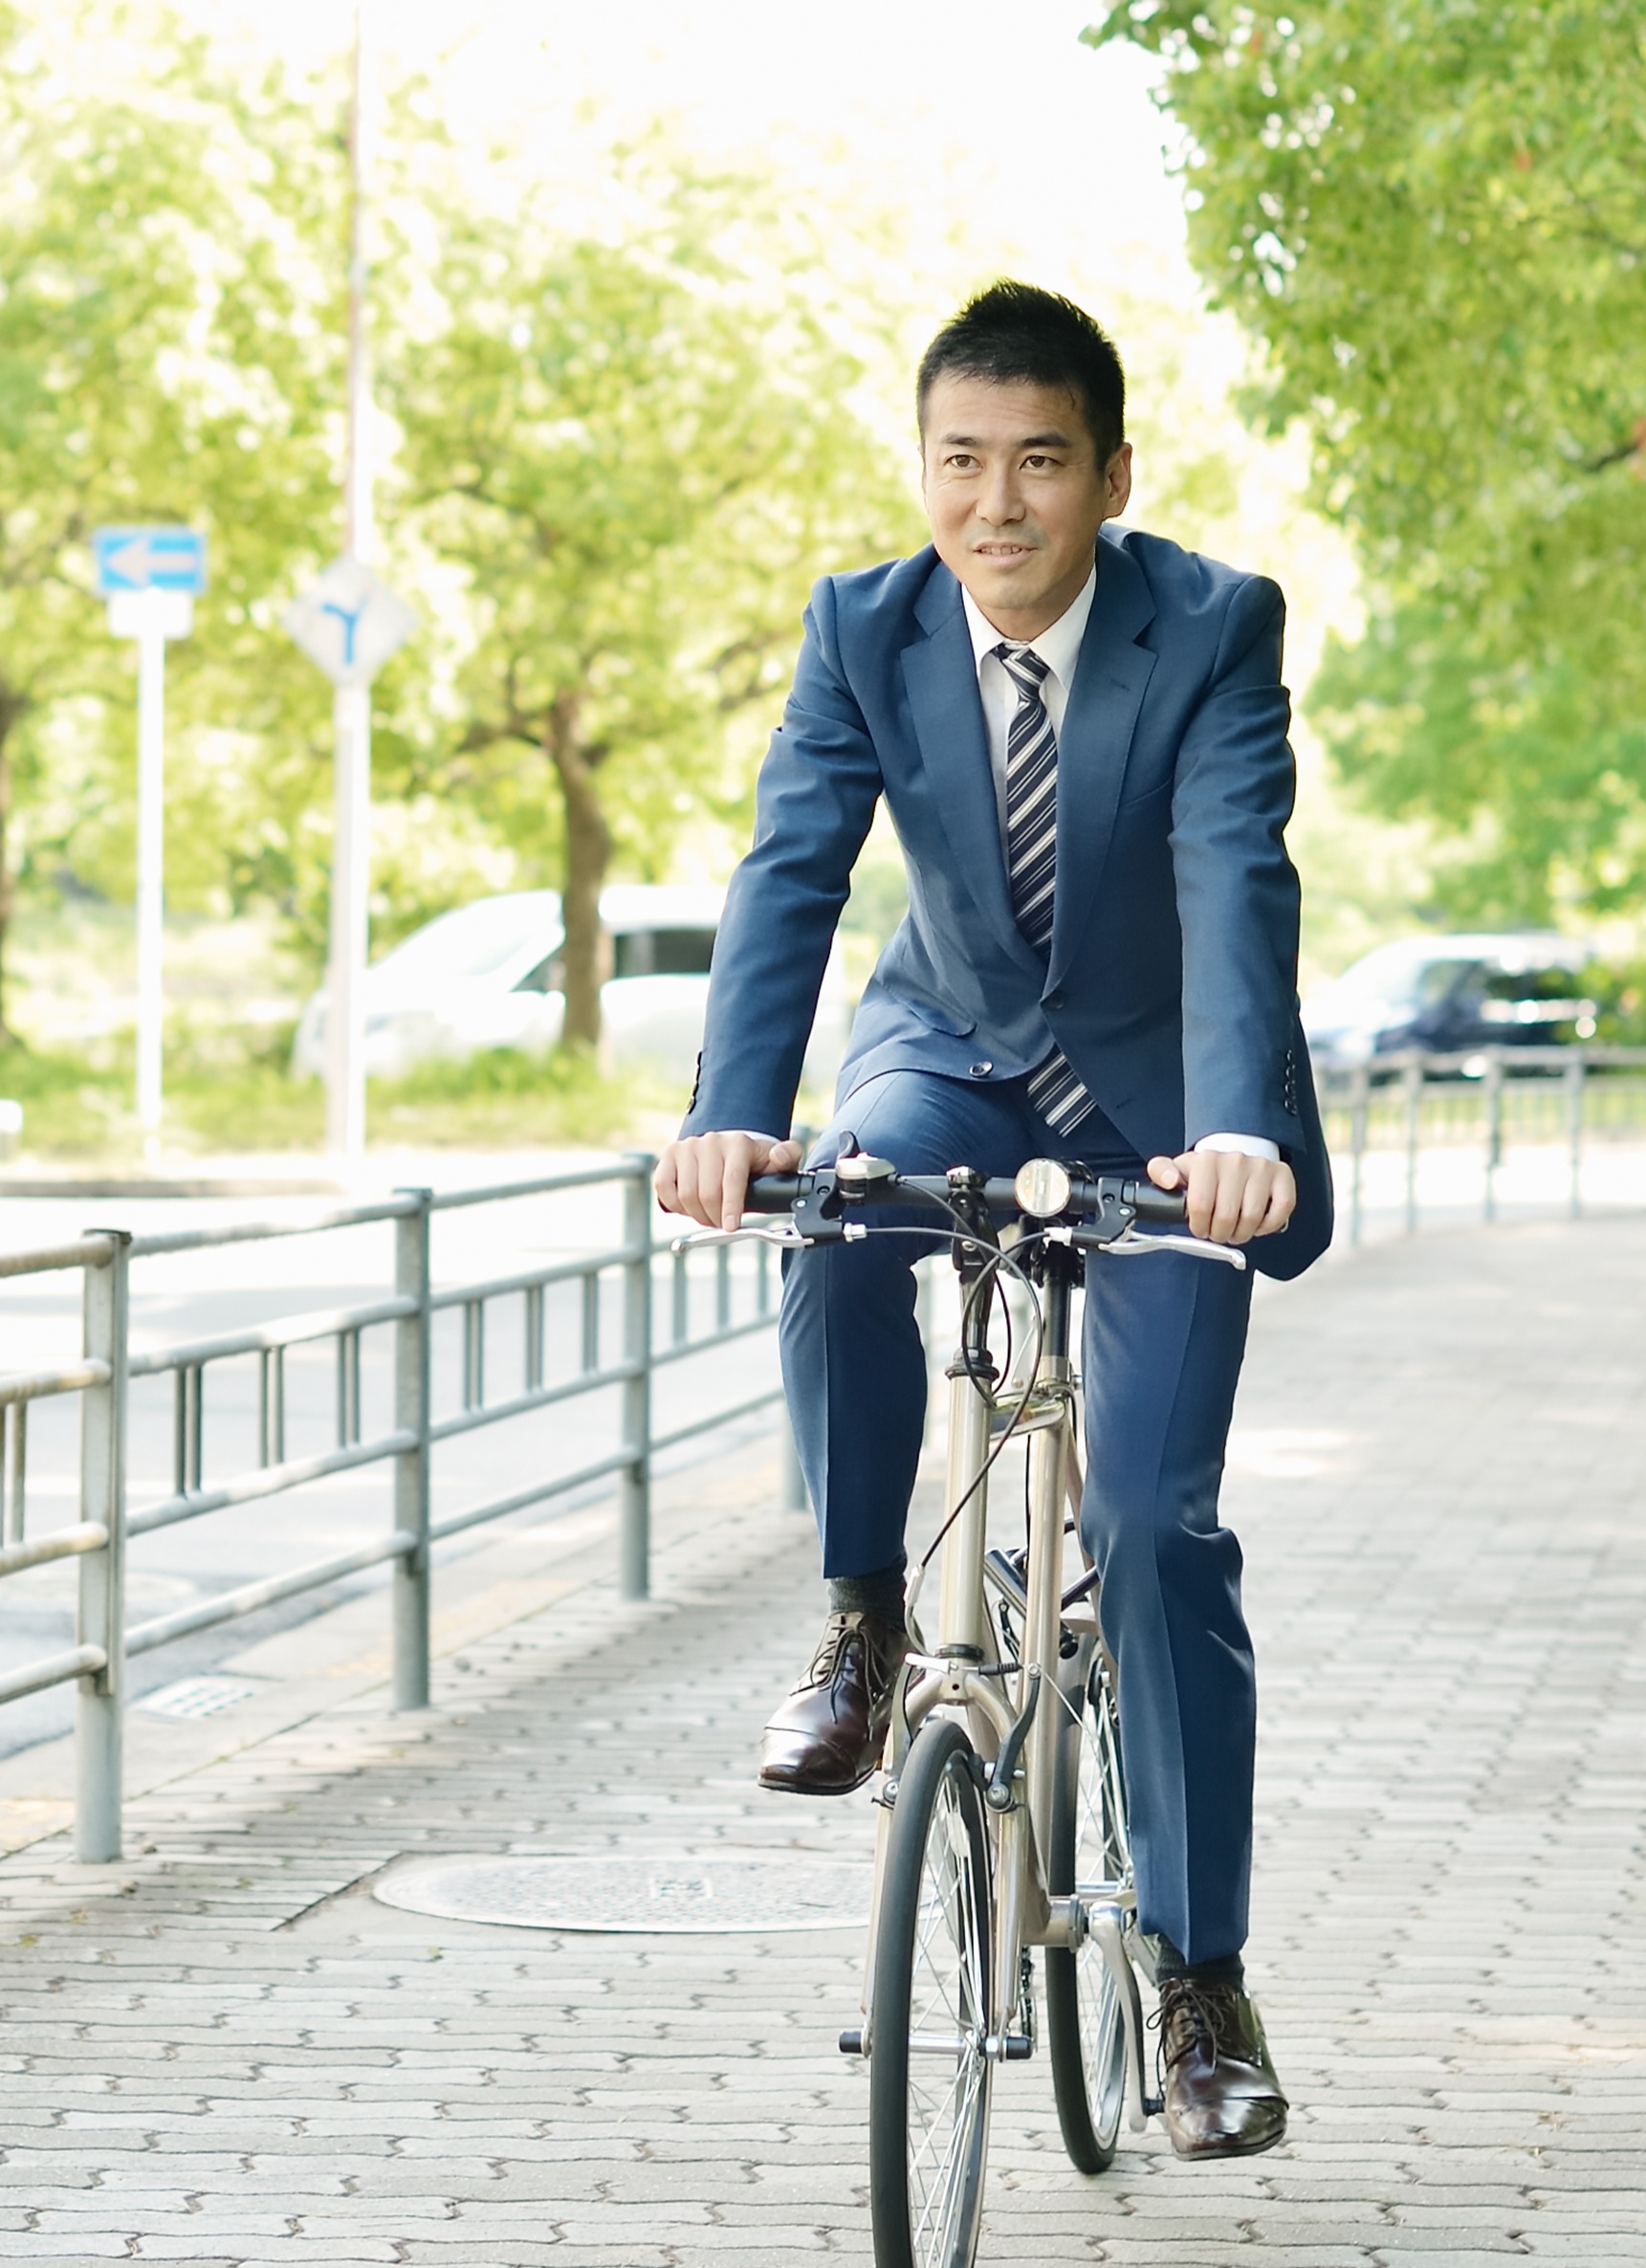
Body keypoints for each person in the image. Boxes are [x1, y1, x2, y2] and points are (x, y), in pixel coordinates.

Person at [655, 280, 1329, 2161]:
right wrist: (727, 1113)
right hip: (943, 1039)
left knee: (1147, 1522)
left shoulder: (1207, 628)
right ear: (922, 469)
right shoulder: (860, 630)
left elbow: (1231, 874)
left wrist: (1229, 1129)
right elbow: (791, 862)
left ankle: (1196, 1979)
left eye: (1039, 461)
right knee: (841, 1212)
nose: (995, 501)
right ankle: (864, 1613)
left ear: (1109, 473)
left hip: (1162, 1094)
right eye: (960, 460)